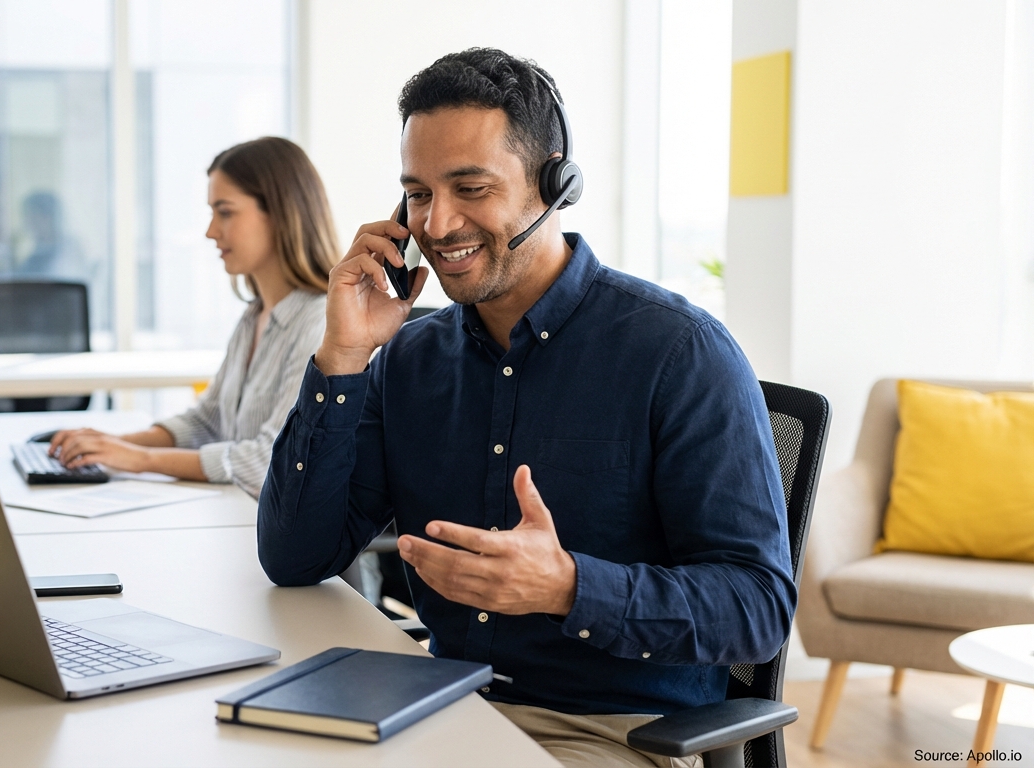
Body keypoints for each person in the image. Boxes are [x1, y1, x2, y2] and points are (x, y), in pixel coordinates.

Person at [256, 48, 794, 768]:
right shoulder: (409, 360)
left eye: (470, 188)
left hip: (613, 733)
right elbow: (295, 557)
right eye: (417, 194)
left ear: (554, 182)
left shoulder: (679, 353)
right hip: (440, 708)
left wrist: (570, 587)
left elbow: (757, 608)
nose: (437, 224)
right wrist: (342, 357)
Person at [48, 137, 339, 497]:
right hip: (236, 513)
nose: (211, 231)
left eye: (225, 212)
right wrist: (112, 445)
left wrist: (140, 459)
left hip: (275, 536)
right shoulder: (253, 317)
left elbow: (268, 459)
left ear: (281, 213)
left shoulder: (321, 323)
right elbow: (207, 422)